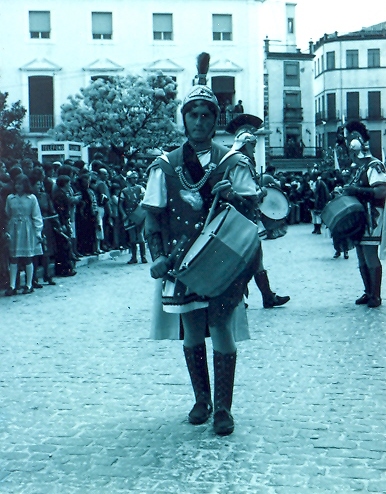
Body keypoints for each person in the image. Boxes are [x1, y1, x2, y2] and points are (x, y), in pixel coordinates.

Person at [142, 65, 259, 436]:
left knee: (221, 326)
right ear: (184, 119)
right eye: (192, 114)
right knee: (192, 327)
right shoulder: (165, 166)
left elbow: (255, 212)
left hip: (222, 260)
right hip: (181, 262)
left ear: (215, 119)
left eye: (206, 114)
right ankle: (201, 400)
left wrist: (233, 197)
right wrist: (157, 255)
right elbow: (153, 218)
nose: (199, 121)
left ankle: (224, 408)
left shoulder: (232, 162)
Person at [226, 114, 290, 309]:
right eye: (252, 145)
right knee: (250, 258)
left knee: (251, 258)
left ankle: (262, 296)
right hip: (243, 216)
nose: (254, 149)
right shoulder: (242, 162)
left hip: (234, 218)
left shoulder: (230, 158)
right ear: (246, 144)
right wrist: (261, 191)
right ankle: (248, 297)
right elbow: (247, 192)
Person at [342, 120, 386, 308]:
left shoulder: (374, 165)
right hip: (360, 217)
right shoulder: (360, 168)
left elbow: (381, 191)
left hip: (372, 216)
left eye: (351, 152)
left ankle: (376, 295)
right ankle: (368, 292)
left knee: (369, 254)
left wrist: (355, 190)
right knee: (361, 255)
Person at [4, 174, 43, 295]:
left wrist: (38, 232)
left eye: (20, 184)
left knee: (27, 257)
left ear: (25, 185)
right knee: (13, 258)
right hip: (13, 229)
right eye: (16, 184)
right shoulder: (10, 198)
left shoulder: (31, 198)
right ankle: (12, 285)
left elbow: (37, 216)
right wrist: (6, 230)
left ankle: (28, 284)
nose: (18, 186)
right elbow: (7, 214)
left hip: (27, 229)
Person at [119, 170, 147, 264]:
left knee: (140, 234)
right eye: (133, 178)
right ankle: (134, 257)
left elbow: (146, 199)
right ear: (129, 179)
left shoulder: (140, 188)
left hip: (139, 214)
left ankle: (143, 257)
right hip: (129, 215)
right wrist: (123, 214)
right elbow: (121, 204)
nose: (135, 180)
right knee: (132, 236)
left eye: (136, 178)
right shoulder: (124, 191)